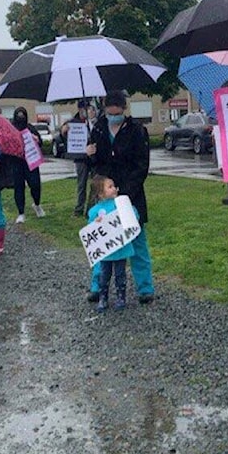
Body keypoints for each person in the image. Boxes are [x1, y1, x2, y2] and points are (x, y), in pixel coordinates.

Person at [85, 90, 155, 305]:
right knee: (102, 243)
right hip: (103, 195)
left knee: (137, 242)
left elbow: (142, 165)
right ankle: (97, 285)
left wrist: (124, 193)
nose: (113, 116)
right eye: (110, 113)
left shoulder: (137, 130)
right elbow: (95, 167)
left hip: (129, 194)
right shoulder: (97, 129)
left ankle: (145, 287)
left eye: (117, 113)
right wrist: (90, 156)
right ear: (105, 110)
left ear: (124, 110)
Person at [87, 176, 136, 313]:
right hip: (106, 252)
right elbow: (90, 229)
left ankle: (121, 297)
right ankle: (103, 297)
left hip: (121, 248)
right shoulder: (95, 211)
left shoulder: (122, 204)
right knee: (104, 275)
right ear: (101, 194)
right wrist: (95, 223)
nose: (114, 188)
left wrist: (130, 215)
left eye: (114, 185)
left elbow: (134, 216)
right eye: (110, 187)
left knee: (121, 274)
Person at [10, 107, 45, 222]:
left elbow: (40, 142)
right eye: (18, 116)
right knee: (19, 188)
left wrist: (37, 139)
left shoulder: (30, 128)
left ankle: (37, 204)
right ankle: (21, 213)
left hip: (31, 161)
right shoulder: (11, 129)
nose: (21, 118)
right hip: (17, 163)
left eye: (23, 116)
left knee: (35, 185)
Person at [63, 99, 94, 218]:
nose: (87, 111)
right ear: (80, 109)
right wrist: (64, 130)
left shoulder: (92, 121)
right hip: (81, 158)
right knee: (81, 185)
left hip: (93, 157)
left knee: (95, 184)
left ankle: (91, 209)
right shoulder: (73, 122)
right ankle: (79, 209)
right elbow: (64, 134)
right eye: (85, 108)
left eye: (89, 108)